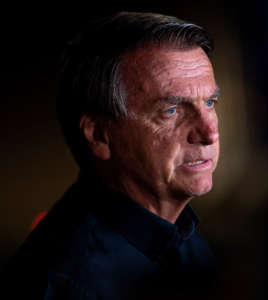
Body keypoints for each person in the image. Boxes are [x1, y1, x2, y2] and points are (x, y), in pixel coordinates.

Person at [2, 12, 220, 299]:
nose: (209, 133)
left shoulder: (184, 237)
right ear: (99, 136)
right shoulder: (68, 283)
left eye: (209, 102)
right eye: (171, 110)